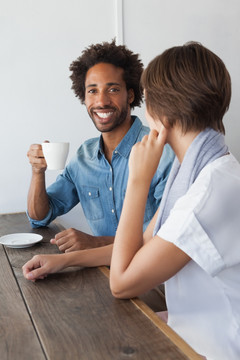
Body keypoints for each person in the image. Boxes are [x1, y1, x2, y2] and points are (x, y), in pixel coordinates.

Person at [109, 42, 240, 359]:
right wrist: (67, 260)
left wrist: (137, 181)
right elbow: (142, 244)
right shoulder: (206, 172)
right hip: (197, 334)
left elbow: (122, 282)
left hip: (213, 349)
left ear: (163, 115)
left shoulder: (205, 195)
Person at [23, 40, 173, 310]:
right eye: (92, 91)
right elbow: (40, 216)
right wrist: (37, 172)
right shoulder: (84, 157)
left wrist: (94, 244)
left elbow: (165, 239)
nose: (101, 101)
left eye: (112, 89)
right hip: (101, 279)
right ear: (84, 97)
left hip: (158, 286)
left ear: (130, 94)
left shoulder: (160, 150)